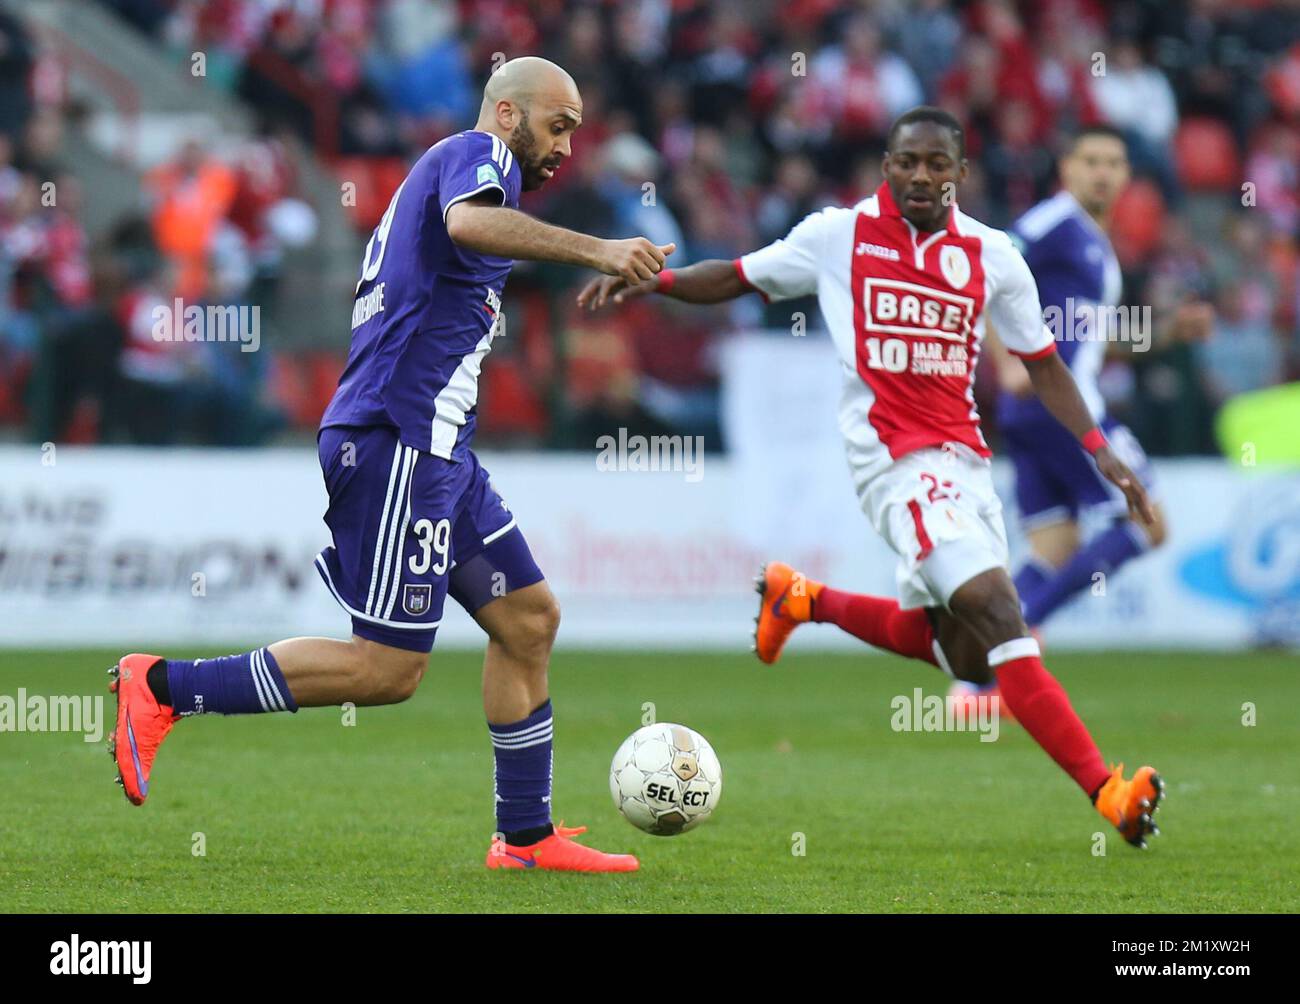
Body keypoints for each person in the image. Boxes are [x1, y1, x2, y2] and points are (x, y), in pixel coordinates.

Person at [107, 57, 675, 873]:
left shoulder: (475, 180)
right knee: (387, 670)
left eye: (578, 132)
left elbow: (463, 261)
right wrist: (598, 251)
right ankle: (163, 688)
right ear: (509, 115)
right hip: (398, 438)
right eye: (559, 125)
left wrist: (596, 272)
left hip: (439, 448)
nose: (566, 147)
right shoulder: (477, 159)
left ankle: (524, 839)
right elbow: (473, 226)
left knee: (528, 620)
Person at [579, 106, 1164, 849]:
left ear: (960, 173)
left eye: (936, 164)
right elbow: (734, 278)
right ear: (886, 166)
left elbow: (1043, 363)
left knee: (963, 648)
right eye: (906, 162)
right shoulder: (838, 235)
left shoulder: (992, 256)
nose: (921, 175)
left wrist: (1097, 447)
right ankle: (1107, 791)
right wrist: (653, 281)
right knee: (999, 606)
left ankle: (803, 599)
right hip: (894, 461)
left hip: (967, 463)